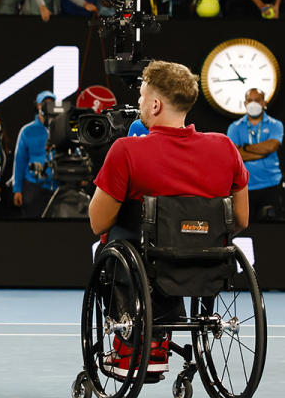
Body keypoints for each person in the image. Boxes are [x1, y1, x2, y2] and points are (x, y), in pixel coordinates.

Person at [88, 60, 249, 377]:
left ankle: (129, 346)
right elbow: (240, 218)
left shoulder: (126, 150)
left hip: (146, 262)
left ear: (156, 104)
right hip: (207, 262)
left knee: (112, 238)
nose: (139, 104)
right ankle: (159, 342)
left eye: (141, 98)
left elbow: (97, 223)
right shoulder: (226, 147)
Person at [227, 88, 284, 220]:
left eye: (257, 100)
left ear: (264, 103)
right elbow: (236, 155)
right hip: (244, 187)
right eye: (250, 100)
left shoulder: (276, 125)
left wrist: (245, 148)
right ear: (245, 103)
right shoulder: (235, 127)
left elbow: (271, 146)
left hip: (271, 185)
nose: (253, 104)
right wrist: (262, 152)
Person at [12, 90, 59, 218]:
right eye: (43, 103)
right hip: (33, 185)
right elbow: (20, 161)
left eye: (51, 103)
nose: (47, 106)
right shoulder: (27, 130)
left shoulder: (61, 129)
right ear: (37, 106)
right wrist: (17, 189)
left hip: (58, 185)